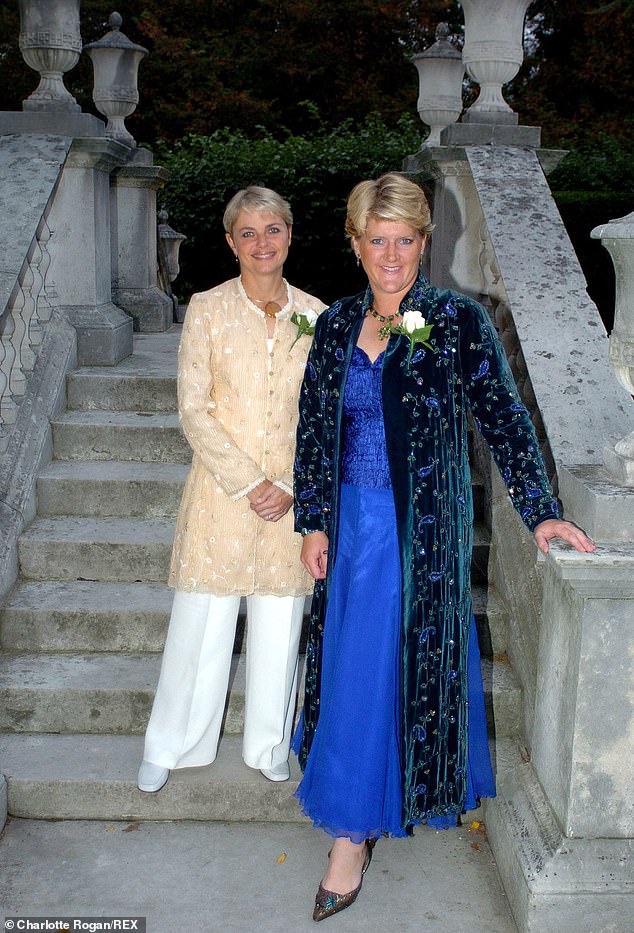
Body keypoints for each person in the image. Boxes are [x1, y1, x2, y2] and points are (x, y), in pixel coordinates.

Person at [292, 173, 596, 921]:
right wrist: (313, 519)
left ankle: (351, 834)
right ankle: (358, 806)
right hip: (350, 527)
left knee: (378, 668)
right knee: (349, 668)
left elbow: (504, 413)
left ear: (424, 244)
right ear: (356, 244)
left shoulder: (457, 320)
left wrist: (541, 509)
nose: (391, 255)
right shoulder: (333, 325)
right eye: (377, 240)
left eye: (405, 240)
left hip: (420, 529)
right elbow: (310, 426)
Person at [137, 186, 325, 793]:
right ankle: (172, 744)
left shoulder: (318, 316)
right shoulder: (207, 309)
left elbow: (325, 415)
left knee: (281, 625)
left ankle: (269, 744)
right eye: (248, 232)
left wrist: (293, 483)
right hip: (222, 495)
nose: (262, 243)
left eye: (272, 229)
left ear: (289, 235)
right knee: (201, 625)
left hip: (289, 501)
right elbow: (193, 408)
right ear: (230, 242)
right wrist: (249, 481)